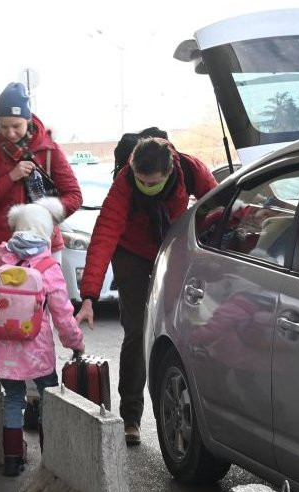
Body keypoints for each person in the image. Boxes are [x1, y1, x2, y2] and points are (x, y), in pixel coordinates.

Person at [74, 137, 217, 446]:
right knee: (138, 329)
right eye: (140, 179)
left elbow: (219, 204)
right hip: (131, 253)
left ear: (168, 172)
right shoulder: (125, 183)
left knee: (180, 327)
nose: (144, 186)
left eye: (152, 182)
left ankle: (190, 415)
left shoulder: (190, 170)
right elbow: (104, 236)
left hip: (173, 245)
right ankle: (131, 417)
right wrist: (89, 296)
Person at [0, 197, 85, 477]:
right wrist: (76, 343)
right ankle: (50, 459)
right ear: (46, 231)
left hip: (2, 351)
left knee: (13, 398)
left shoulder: (0, 261)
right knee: (48, 398)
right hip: (37, 351)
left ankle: (11, 459)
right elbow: (62, 314)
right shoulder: (47, 267)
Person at [0, 82, 82, 273]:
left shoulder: (49, 149)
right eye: (4, 127)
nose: (10, 133)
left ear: (28, 119)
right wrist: (11, 177)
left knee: (49, 302)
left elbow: (75, 196)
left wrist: (44, 214)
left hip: (44, 247)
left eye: (16, 126)